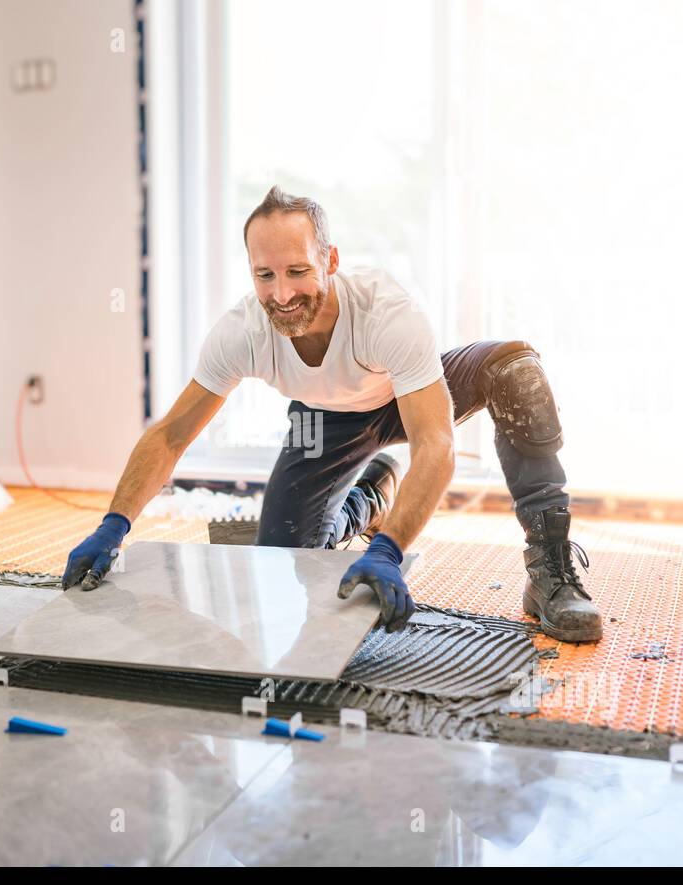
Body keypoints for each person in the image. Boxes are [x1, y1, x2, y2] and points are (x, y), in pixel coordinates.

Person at [62, 186, 602, 643]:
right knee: (285, 562)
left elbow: (435, 443)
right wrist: (114, 525)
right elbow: (171, 437)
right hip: (324, 421)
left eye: (298, 271)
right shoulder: (241, 332)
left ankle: (549, 569)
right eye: (265, 276)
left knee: (516, 371)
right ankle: (367, 500)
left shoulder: (386, 311)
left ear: (331, 261)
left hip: (409, 396)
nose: (282, 293)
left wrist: (390, 551)